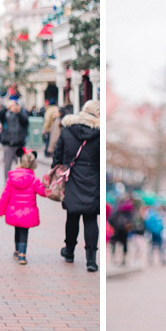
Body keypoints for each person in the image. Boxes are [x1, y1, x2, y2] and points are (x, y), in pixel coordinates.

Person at [53, 99, 101, 272]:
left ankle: (70, 251)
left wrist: (58, 170)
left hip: (72, 177)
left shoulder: (67, 130)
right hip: (93, 178)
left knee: (72, 216)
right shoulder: (99, 133)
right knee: (90, 218)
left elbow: (57, 155)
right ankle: (91, 259)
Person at [0, 147, 45, 265]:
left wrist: (0, 211)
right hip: (28, 212)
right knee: (24, 232)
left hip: (14, 211)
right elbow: (42, 192)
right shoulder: (34, 179)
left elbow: (5, 195)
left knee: (17, 230)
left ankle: (17, 251)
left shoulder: (12, 178)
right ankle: (22, 255)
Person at [0, 99, 29, 180]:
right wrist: (6, 107)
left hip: (19, 144)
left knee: (21, 164)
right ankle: (7, 181)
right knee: (7, 164)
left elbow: (25, 121)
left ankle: (20, 180)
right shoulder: (6, 115)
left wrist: (18, 112)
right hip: (8, 143)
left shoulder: (22, 114)